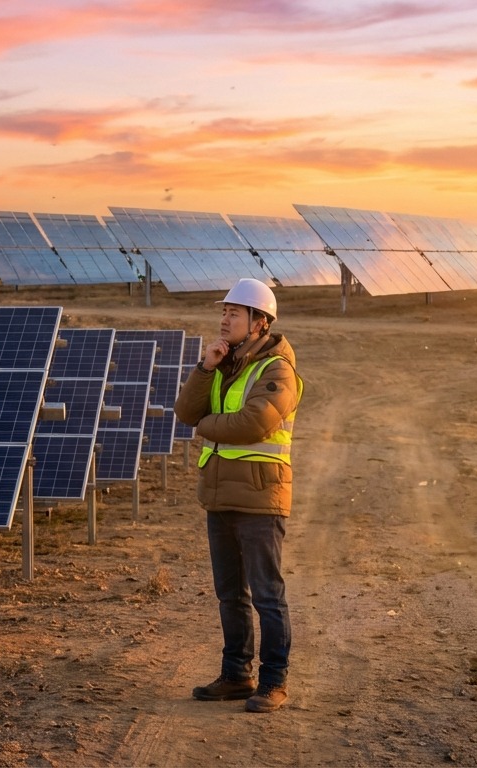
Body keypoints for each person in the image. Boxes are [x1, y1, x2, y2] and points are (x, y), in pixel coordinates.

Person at [174, 277, 302, 713]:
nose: (225, 319)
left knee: (267, 594)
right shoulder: (225, 365)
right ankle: (236, 676)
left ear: (259, 322)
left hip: (260, 498)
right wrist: (205, 368)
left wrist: (205, 428)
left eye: (234, 312)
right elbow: (187, 411)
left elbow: (252, 423)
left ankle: (273, 682)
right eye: (223, 311)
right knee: (230, 594)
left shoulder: (277, 370)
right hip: (219, 495)